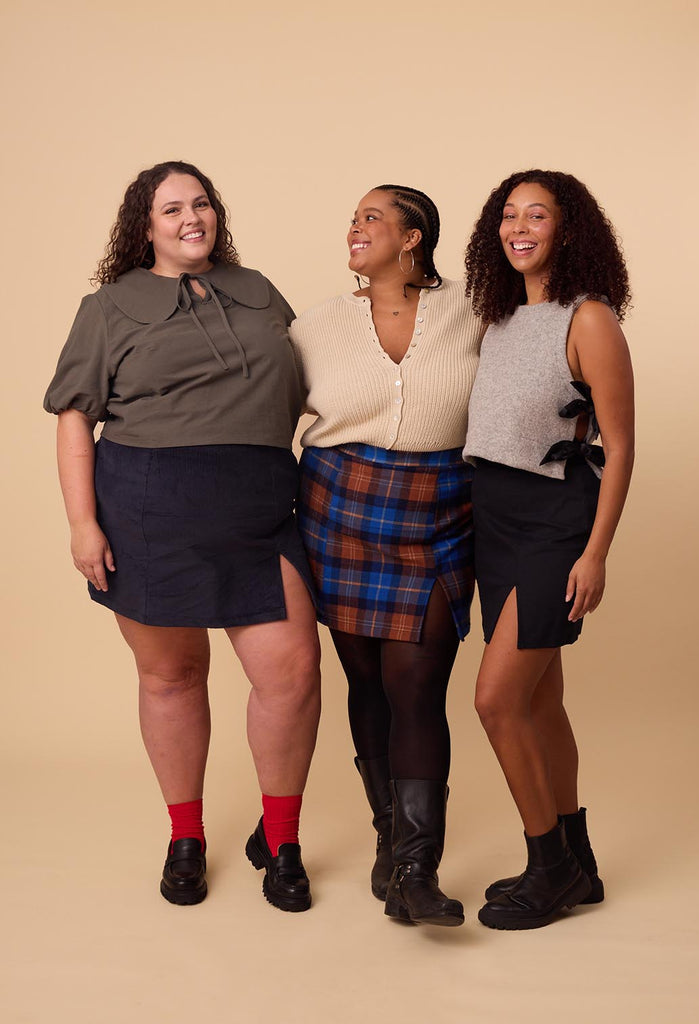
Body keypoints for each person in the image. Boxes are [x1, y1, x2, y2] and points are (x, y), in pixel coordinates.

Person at [44, 161, 321, 912]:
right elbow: (76, 417)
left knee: (291, 674)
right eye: (172, 209)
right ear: (146, 227)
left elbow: (313, 385)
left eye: (201, 203)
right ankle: (186, 838)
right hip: (146, 508)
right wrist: (82, 523)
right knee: (170, 677)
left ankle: (282, 839)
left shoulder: (260, 291)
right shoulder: (108, 308)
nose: (191, 217)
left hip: (258, 506)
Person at [289, 184, 484, 926]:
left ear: (412, 237)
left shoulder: (476, 309)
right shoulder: (313, 327)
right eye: (352, 218)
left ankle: (414, 868)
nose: (353, 228)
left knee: (417, 683)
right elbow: (269, 413)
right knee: (366, 680)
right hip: (338, 510)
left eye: (370, 217)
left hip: (438, 512)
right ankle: (388, 832)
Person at [463, 169, 634, 929]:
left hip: (552, 520)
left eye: (537, 214)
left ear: (569, 230)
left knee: (495, 700)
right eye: (508, 214)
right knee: (539, 698)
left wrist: (594, 551)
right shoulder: (497, 317)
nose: (518, 226)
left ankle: (547, 865)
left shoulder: (587, 318)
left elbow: (621, 445)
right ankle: (579, 864)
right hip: (490, 518)